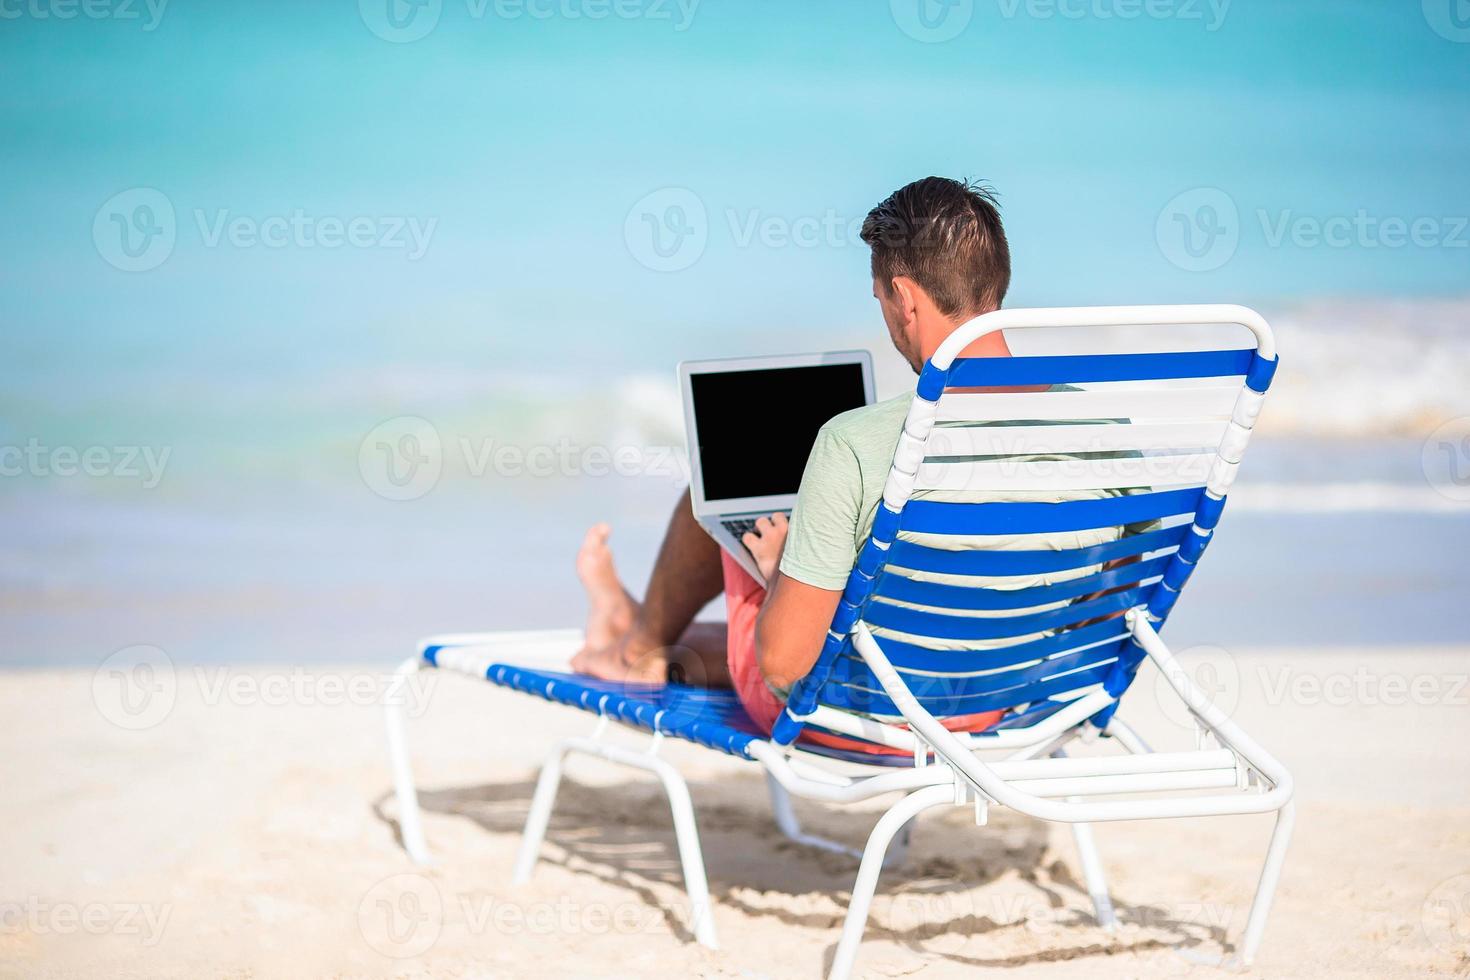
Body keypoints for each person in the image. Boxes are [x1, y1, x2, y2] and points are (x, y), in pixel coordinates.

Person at [570, 176, 1100, 751]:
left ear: (905, 298)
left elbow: (783, 667)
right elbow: (1108, 603)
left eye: (879, 301)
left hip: (852, 719)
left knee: (715, 493)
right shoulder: (1097, 430)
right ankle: (631, 624)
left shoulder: (855, 443)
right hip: (994, 707)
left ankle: (635, 649)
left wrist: (775, 570)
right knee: (842, 590)